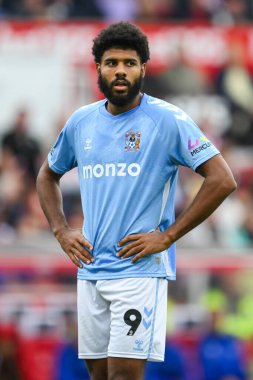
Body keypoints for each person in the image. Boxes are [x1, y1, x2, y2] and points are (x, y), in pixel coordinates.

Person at [36, 22, 237, 380]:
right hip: (92, 269)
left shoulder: (167, 120)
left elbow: (222, 179)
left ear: (143, 68)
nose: (120, 71)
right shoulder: (81, 122)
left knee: (124, 375)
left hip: (139, 269)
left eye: (129, 63)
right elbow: (47, 175)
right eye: (112, 62)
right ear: (98, 67)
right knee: (98, 375)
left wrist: (168, 236)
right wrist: (61, 230)